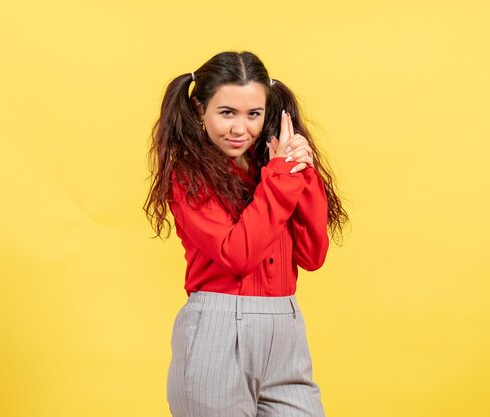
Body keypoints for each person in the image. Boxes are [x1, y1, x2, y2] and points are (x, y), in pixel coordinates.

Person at [144, 51, 349, 417]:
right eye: (227, 113)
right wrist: (282, 177)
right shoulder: (188, 176)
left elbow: (312, 255)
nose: (241, 129)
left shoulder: (272, 169)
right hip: (218, 331)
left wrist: (303, 170)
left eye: (253, 114)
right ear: (198, 110)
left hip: (285, 331)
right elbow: (238, 254)